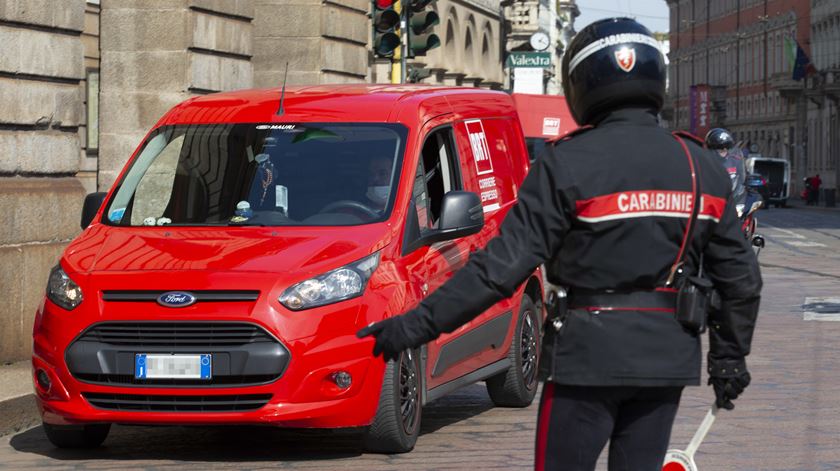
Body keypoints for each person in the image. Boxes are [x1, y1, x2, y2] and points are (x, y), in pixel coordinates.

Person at [358, 17, 761, 471]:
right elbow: (741, 280)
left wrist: (412, 328)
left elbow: (498, 271)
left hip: (585, 355)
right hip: (664, 356)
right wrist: (729, 359)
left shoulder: (566, 163)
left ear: (583, 84)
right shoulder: (700, 166)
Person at [705, 128, 747, 209]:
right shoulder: (705, 161)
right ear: (711, 149)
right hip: (711, 199)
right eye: (720, 148)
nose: (724, 150)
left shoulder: (735, 160)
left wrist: (747, 184)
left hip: (732, 199)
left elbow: (743, 177)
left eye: (727, 147)